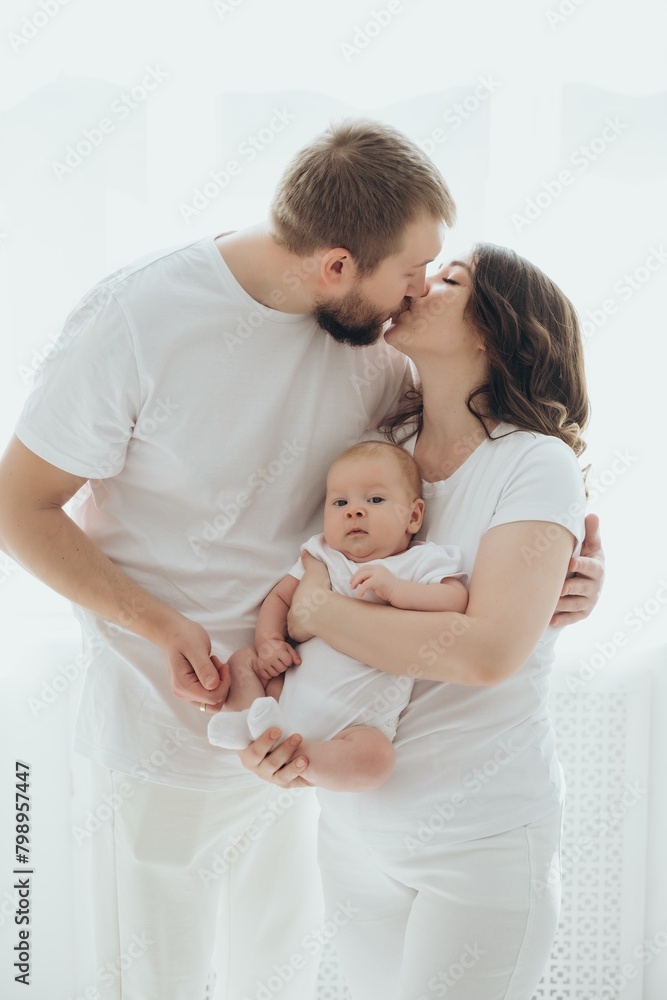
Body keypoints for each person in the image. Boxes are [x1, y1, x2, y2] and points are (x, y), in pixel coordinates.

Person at [0, 119, 602, 998]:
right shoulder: (138, 318)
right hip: (163, 731)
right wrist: (161, 626)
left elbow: (466, 487)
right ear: (336, 265)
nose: (417, 290)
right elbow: (19, 506)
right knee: (156, 979)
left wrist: (564, 582)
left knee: (277, 977)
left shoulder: (377, 349)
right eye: (412, 271)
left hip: (310, 742)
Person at [240, 244, 598, 999]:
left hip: (478, 841)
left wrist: (320, 609)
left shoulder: (533, 463)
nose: (421, 285)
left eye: (451, 279)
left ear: (494, 330)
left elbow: (484, 654)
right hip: (354, 832)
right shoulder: (383, 456)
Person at [208, 440, 467, 792]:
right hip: (285, 693)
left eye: (375, 500)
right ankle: (249, 723)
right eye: (340, 503)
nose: (354, 511)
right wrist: (268, 642)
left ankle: (294, 752)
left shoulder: (419, 562)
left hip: (356, 724)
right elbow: (280, 597)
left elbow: (455, 599)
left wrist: (398, 590)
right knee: (243, 661)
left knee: (377, 760)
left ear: (413, 516)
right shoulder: (323, 555)